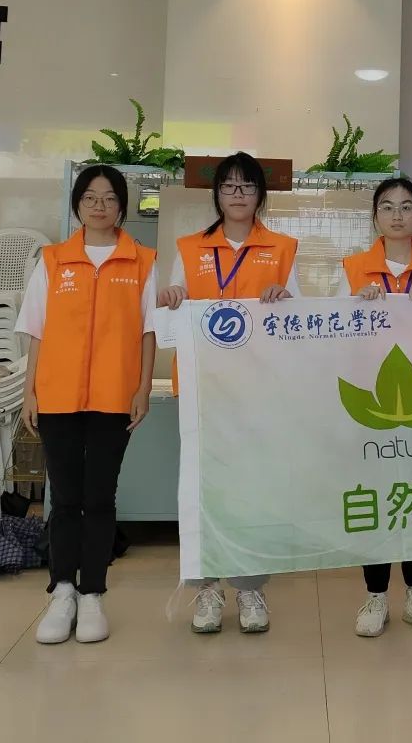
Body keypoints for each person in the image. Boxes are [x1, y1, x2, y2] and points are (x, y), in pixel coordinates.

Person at [158, 151, 299, 637]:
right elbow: (171, 306)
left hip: (257, 390)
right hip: (203, 388)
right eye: (229, 186)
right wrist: (172, 297)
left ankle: (250, 588)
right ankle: (207, 589)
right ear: (217, 195)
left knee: (251, 491)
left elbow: (299, 317)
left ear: (261, 195)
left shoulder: (283, 248)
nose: (238, 194)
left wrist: (285, 300)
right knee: (202, 489)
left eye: (247, 186)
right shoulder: (190, 248)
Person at [18, 165, 157, 645]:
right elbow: (36, 330)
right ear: (77, 204)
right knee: (63, 499)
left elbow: (148, 331)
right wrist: (29, 391)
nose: (100, 206)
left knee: (99, 498)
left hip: (114, 397)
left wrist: (142, 390)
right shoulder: (53, 260)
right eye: (91, 197)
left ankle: (92, 592)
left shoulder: (142, 261)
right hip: (57, 395)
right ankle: (61, 591)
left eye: (110, 198)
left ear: (122, 207)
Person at [337, 176, 412, 639]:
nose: (397, 215)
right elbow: (334, 334)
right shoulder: (353, 268)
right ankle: (376, 595)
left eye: (406, 207)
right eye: (387, 207)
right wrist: (357, 306)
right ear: (375, 217)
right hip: (372, 402)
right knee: (378, 495)